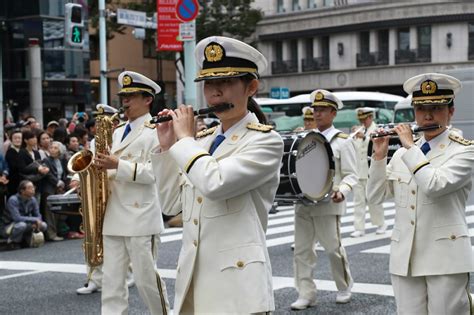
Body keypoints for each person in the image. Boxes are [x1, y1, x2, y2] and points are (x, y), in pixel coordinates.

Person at [152, 36, 283, 314]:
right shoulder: (201, 141)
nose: (215, 92)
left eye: (225, 83)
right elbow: (171, 204)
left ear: (252, 87)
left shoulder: (265, 142)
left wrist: (184, 141)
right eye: (210, 84)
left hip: (237, 284)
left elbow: (215, 182)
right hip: (194, 278)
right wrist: (166, 149)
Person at [367, 73, 474, 314]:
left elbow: (435, 185)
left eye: (436, 108)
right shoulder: (402, 154)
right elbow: (374, 198)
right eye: (421, 108)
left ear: (451, 112)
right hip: (405, 257)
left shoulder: (464, 151)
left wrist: (410, 147)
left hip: (445, 258)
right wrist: (379, 157)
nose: (427, 116)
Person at [93, 71, 169, 314]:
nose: (124, 102)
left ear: (148, 99)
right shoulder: (115, 132)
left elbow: (156, 174)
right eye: (123, 96)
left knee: (147, 282)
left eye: (131, 96)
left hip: (140, 217)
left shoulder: (156, 130)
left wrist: (118, 165)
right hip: (114, 214)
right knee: (112, 283)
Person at [291, 89, 358, 310]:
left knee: (333, 249)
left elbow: (351, 174)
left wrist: (343, 190)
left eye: (322, 110)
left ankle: (344, 286)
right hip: (304, 203)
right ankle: (306, 293)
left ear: (333, 113)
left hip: (329, 203)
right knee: (302, 250)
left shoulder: (343, 141)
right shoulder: (303, 139)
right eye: (315, 110)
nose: (317, 114)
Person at [350, 107, 386, 238]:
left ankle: (380, 224)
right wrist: (354, 137)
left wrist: (364, 137)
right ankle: (359, 228)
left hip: (371, 171)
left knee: (374, 200)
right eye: (360, 120)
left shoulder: (376, 129)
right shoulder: (360, 130)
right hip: (359, 171)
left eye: (364, 119)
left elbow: (375, 143)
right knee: (358, 201)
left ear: (370, 117)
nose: (362, 122)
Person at [0, 180, 47, 250]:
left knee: (43, 225)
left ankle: (25, 240)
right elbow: (17, 218)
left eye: (33, 187)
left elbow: (38, 215)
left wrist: (37, 222)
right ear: (22, 190)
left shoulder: (33, 199)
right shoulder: (13, 200)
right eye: (30, 188)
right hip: (8, 226)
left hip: (24, 223)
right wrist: (34, 220)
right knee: (21, 225)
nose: (33, 189)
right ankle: (12, 242)